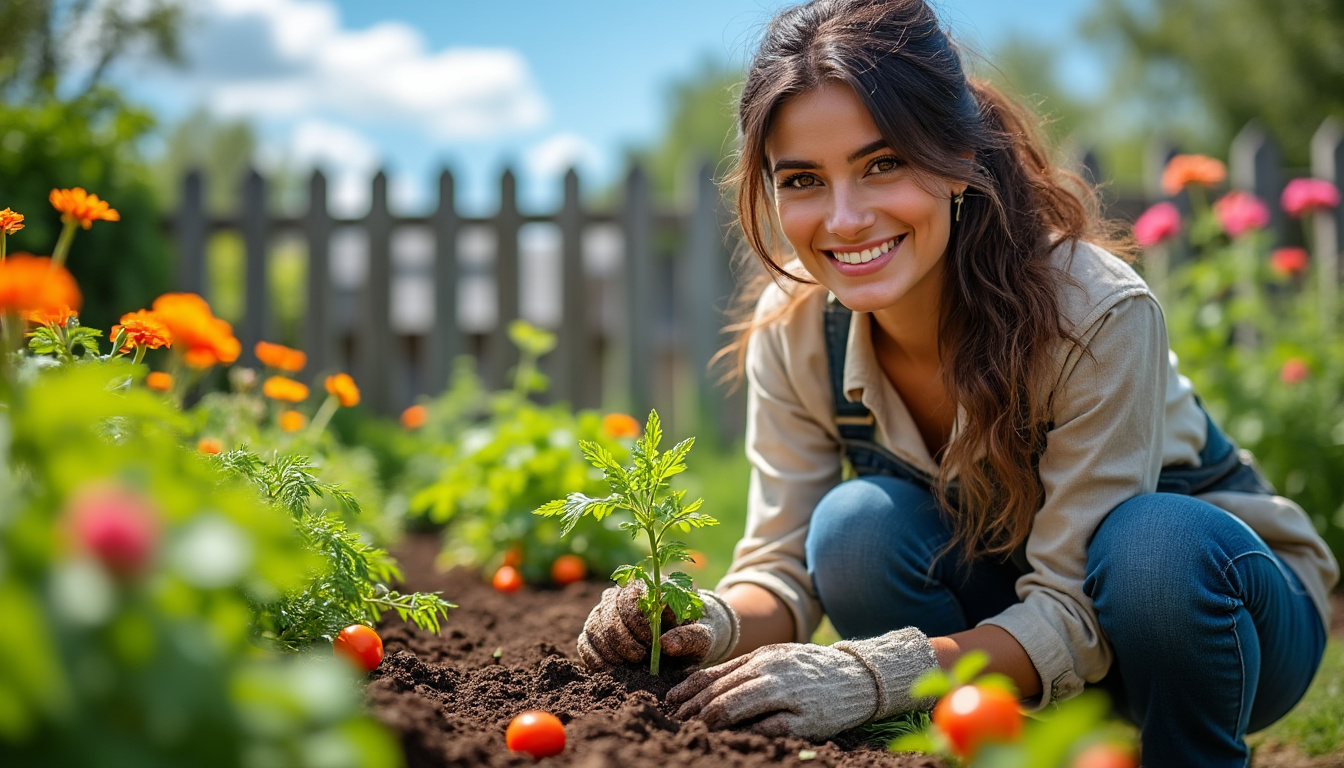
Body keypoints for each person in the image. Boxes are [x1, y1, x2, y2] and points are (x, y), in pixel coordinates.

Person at [574, 0, 1339, 765]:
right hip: (1016, 641)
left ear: (958, 160)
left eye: (883, 164)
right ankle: (989, 751)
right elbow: (781, 567)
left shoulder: (1094, 313)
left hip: (1221, 627)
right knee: (852, 530)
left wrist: (876, 670)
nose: (845, 219)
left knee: (1153, 544)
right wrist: (696, 618)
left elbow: (1076, 610)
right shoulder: (797, 327)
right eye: (803, 179)